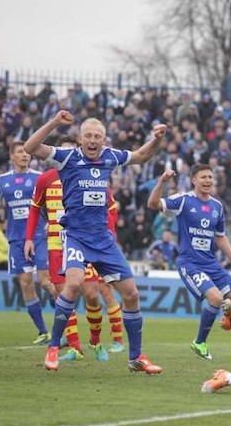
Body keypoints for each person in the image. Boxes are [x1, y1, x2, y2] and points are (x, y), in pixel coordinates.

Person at [23, 110, 166, 373]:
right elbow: (30, 147)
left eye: (97, 136)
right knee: (74, 285)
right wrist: (55, 122)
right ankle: (54, 346)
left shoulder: (111, 156)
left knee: (132, 294)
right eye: (87, 135)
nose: (92, 140)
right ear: (80, 139)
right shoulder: (67, 158)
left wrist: (156, 139)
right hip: (76, 235)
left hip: (103, 239)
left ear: (104, 140)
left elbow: (143, 155)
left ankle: (136, 357)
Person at [24, 134, 126, 363]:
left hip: (88, 241)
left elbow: (110, 210)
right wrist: (29, 238)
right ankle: (76, 347)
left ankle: (96, 340)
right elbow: (34, 209)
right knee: (64, 294)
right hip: (56, 245)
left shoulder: (93, 175)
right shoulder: (45, 180)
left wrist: (110, 237)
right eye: (63, 152)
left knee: (92, 295)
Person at [147, 164, 231, 361]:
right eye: (203, 177)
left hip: (212, 264)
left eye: (210, 177)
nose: (207, 180)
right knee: (215, 298)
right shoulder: (183, 200)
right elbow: (153, 204)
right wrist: (162, 182)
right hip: (190, 263)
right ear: (193, 180)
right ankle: (199, 342)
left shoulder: (217, 206)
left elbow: (220, 237)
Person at [0, 141, 54, 344]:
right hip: (16, 239)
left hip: (39, 236)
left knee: (46, 280)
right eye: (20, 152)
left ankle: (65, 327)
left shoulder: (39, 178)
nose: (25, 155)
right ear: (11, 156)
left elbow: (52, 202)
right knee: (26, 283)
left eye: (26, 152)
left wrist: (51, 222)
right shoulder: (2, 181)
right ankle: (43, 332)